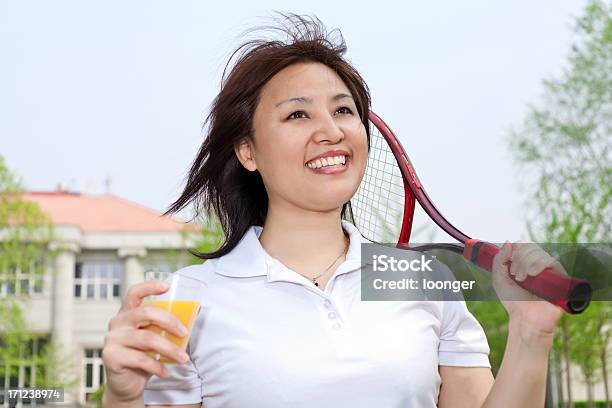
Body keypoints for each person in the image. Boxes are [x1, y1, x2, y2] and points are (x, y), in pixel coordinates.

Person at [102, 14, 565, 408]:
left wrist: (530, 335)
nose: (330, 131)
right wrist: (123, 397)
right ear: (248, 152)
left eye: (343, 110)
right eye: (297, 115)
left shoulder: (424, 279)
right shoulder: (190, 297)